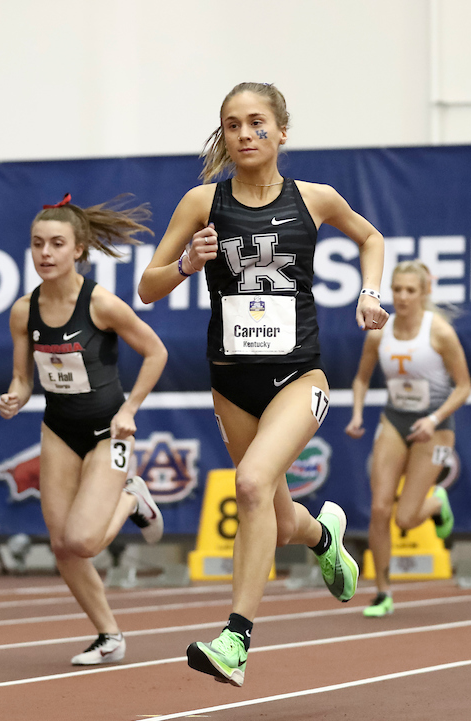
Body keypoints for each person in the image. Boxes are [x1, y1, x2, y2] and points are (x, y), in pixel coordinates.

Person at [138, 82, 388, 687]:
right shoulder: (201, 203)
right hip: (230, 383)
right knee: (274, 511)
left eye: (256, 123)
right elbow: (147, 287)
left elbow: (371, 239)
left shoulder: (316, 198)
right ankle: (323, 534)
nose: (245, 135)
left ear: (281, 132)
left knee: (250, 484)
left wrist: (370, 294)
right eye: (232, 125)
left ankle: (235, 640)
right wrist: (187, 266)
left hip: (299, 375)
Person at [0, 193, 167, 665]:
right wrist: (16, 395)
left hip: (106, 433)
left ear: (78, 249)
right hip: (58, 430)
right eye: (37, 244)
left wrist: (130, 408)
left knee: (84, 541)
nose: (45, 254)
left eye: (56, 244)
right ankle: (108, 635)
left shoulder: (102, 305)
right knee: (62, 546)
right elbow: (23, 377)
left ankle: (132, 496)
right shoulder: (22, 311)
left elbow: (156, 353)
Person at [345, 260, 471, 617]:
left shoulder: (440, 333)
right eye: (396, 289)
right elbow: (361, 379)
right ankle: (383, 592)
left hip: (435, 428)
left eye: (409, 290)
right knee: (379, 508)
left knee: (405, 518)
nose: (401, 297)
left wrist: (433, 419)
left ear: (424, 292)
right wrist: (357, 413)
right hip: (395, 421)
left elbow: (464, 386)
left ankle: (436, 504)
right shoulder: (378, 332)